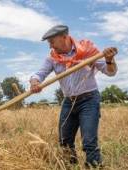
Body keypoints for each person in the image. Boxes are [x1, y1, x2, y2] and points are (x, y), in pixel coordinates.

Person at [29, 25, 118, 168]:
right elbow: (39, 74)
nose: (50, 46)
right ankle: (70, 166)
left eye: (52, 41)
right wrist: (35, 82)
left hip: (89, 100)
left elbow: (110, 72)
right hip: (68, 101)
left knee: (89, 141)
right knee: (65, 140)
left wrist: (109, 60)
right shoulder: (53, 57)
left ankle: (94, 166)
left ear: (64, 37)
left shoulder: (88, 50)